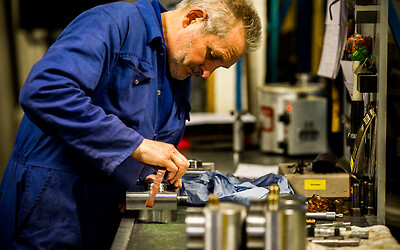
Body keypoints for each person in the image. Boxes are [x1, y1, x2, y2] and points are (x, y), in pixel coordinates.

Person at [0, 0, 262, 248]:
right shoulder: (113, 24)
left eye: (219, 67)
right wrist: (136, 146)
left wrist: (144, 177)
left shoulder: (178, 68)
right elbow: (45, 91)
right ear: (192, 18)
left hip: (105, 213)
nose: (207, 73)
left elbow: (145, 135)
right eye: (212, 55)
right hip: (52, 207)